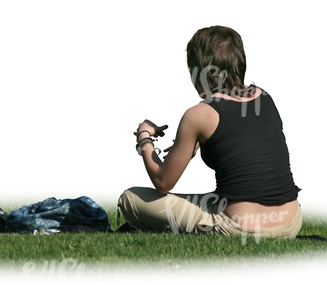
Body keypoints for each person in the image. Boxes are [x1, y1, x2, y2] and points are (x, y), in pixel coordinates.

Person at [117, 25, 302, 239]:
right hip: (291, 222)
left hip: (242, 228)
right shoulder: (265, 97)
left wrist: (144, 138)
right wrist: (192, 143)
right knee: (218, 196)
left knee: (130, 199)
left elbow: (162, 182)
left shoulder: (199, 115)